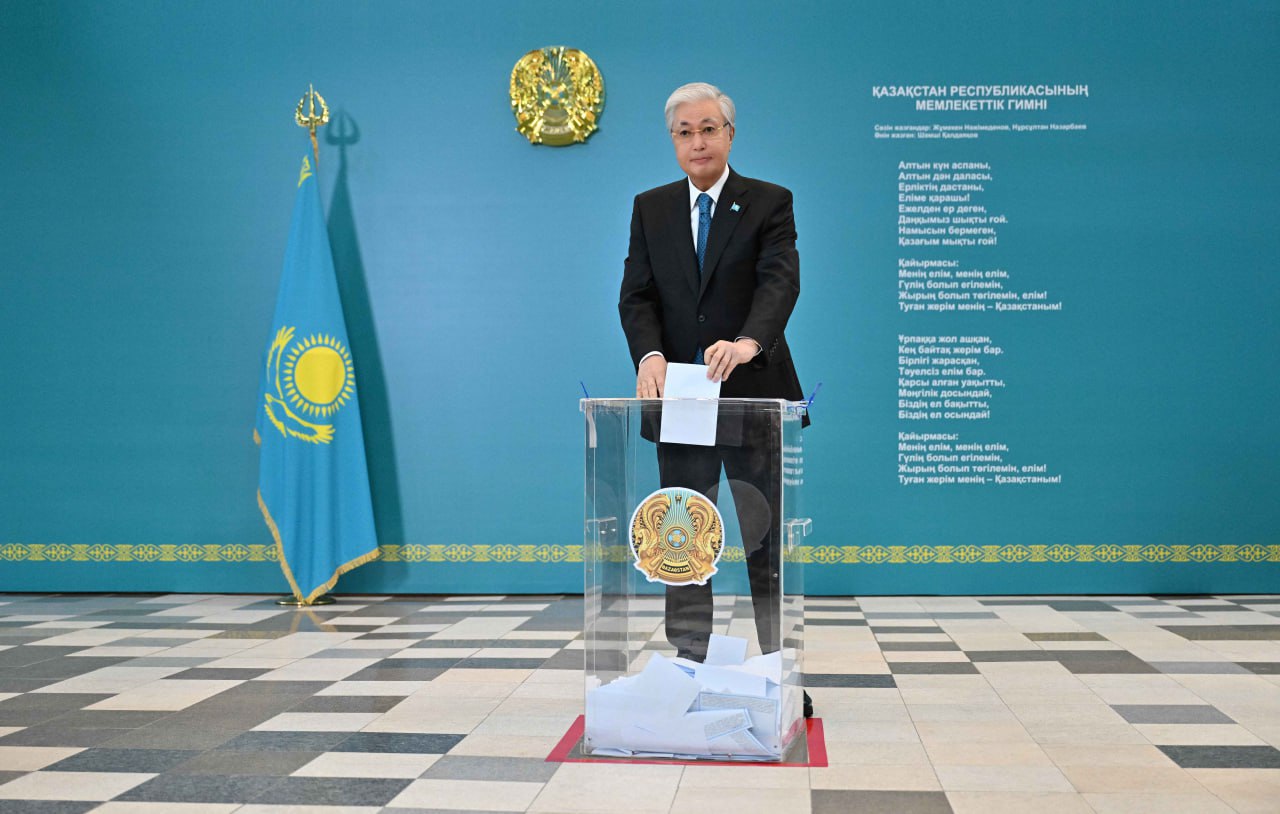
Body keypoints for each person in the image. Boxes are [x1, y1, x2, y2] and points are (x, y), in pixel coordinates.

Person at [618, 82, 810, 716]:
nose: (697, 142)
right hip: (682, 399)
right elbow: (637, 296)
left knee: (764, 542)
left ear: (729, 134)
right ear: (672, 141)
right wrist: (649, 356)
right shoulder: (651, 208)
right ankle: (688, 669)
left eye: (708, 129)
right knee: (682, 539)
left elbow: (780, 281)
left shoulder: (769, 202)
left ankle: (779, 672)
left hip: (755, 397)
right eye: (685, 132)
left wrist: (749, 342)